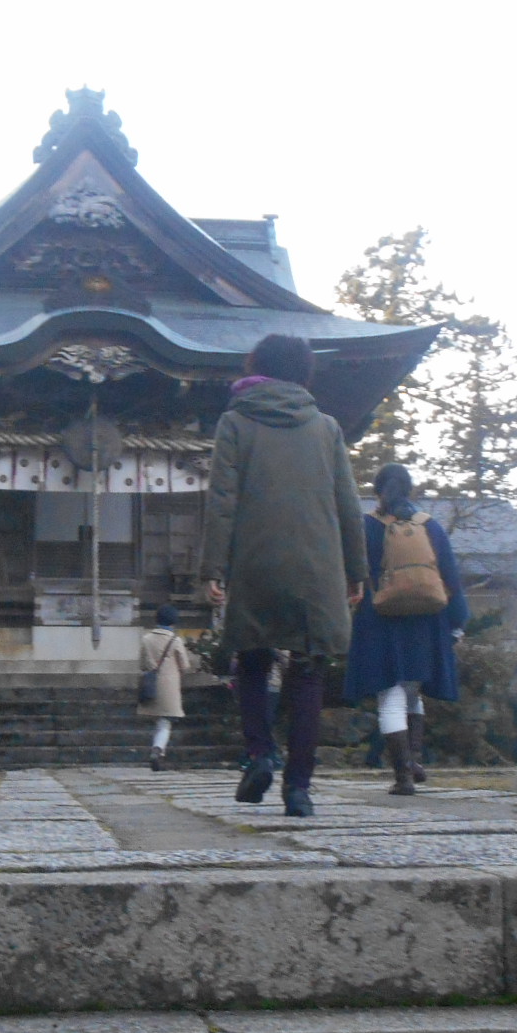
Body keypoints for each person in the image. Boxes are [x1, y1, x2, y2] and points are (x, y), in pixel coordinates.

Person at [201, 333, 367, 818]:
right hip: (316, 564)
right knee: (308, 670)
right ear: (304, 373)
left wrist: (214, 568)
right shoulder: (326, 428)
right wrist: (355, 570)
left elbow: (222, 501)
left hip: (255, 560)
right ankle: (299, 789)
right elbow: (347, 506)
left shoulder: (235, 422)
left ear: (257, 366)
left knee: (252, 659)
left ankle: (259, 753)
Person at [346, 464, 467, 795]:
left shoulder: (367, 527)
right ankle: (413, 761)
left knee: (390, 695)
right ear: (410, 490)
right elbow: (451, 578)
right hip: (427, 620)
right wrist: (457, 621)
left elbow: (353, 572)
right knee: (412, 691)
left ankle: (402, 777)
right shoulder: (429, 526)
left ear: (378, 490)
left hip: (381, 619)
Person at [137, 603, 194, 770]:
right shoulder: (175, 640)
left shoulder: (146, 639)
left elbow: (142, 664)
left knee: (158, 720)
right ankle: (158, 750)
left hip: (151, 684)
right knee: (165, 721)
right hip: (169, 685)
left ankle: (157, 750)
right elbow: (184, 666)